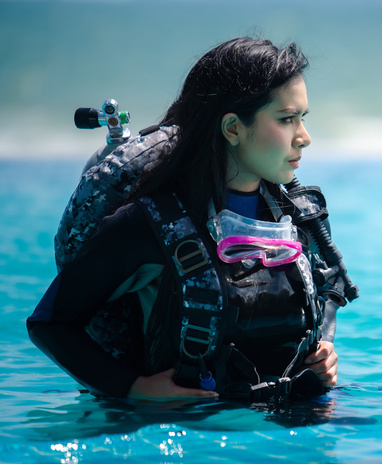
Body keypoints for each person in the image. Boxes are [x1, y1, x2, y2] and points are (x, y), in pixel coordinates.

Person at [27, 37, 353, 400]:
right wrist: (134, 390)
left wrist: (323, 357)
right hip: (192, 436)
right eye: (287, 119)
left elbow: (319, 306)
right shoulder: (153, 224)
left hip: (287, 427)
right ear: (232, 129)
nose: (304, 138)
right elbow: (49, 323)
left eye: (302, 118)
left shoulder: (295, 218)